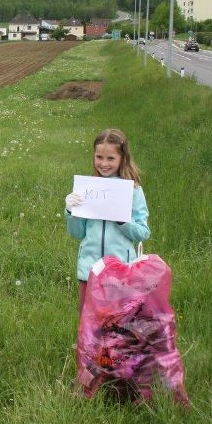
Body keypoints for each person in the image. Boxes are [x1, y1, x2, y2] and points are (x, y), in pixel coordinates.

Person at [64, 128, 150, 312]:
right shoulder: (88, 189)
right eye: (99, 157)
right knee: (89, 322)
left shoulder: (133, 190)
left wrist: (122, 221)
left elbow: (143, 232)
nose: (103, 164)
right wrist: (71, 211)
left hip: (120, 273)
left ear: (122, 158)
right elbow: (77, 233)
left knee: (117, 323)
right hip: (90, 270)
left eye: (110, 158)